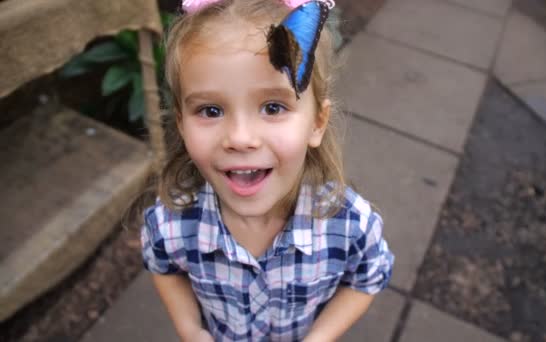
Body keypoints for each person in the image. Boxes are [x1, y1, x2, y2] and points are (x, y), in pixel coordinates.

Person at [140, 0, 394, 340]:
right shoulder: (171, 223)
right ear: (182, 125)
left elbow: (368, 278)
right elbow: (163, 267)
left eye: (273, 107)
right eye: (211, 110)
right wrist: (189, 328)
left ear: (317, 122)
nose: (240, 139)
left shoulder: (350, 226)